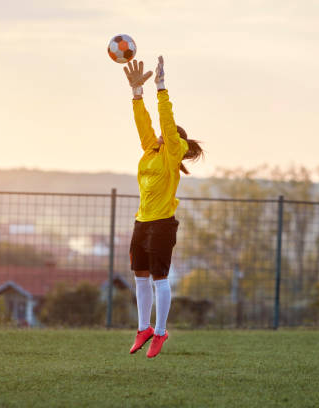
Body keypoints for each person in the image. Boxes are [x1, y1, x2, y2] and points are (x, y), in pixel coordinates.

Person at [124, 56, 203, 358]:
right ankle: (143, 328)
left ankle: (159, 332)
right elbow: (143, 123)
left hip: (162, 224)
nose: (159, 133)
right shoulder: (151, 150)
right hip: (142, 221)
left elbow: (166, 123)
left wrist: (161, 88)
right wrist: (136, 93)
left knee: (159, 278)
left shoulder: (172, 154)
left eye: (165, 134)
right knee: (139, 275)